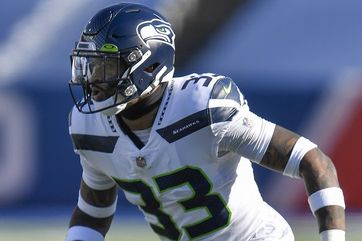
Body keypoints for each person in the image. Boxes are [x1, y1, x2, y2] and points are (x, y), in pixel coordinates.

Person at [66, 2, 346, 241]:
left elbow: (312, 161)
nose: (92, 81)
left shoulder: (203, 109)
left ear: (148, 67)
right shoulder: (88, 127)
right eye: (89, 66)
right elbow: (93, 211)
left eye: (105, 67)